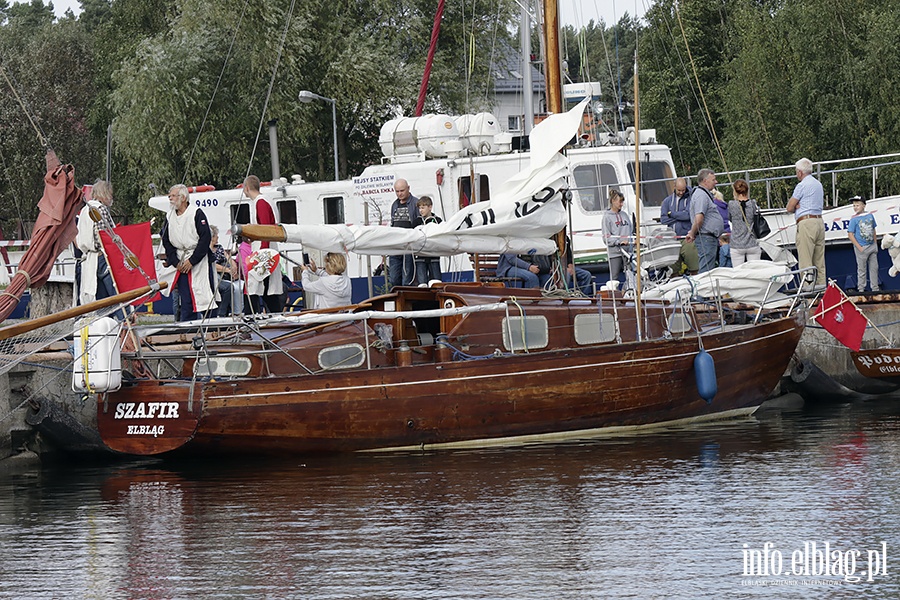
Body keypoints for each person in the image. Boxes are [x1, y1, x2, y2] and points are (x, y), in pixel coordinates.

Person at [162, 184, 217, 321]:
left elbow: (205, 238)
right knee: (185, 298)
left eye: (173, 196)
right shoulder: (169, 216)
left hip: (199, 261)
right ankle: (187, 329)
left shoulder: (196, 213)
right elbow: (166, 239)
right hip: (180, 259)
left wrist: (192, 260)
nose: (170, 198)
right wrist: (174, 261)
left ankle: (212, 327)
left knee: (205, 295)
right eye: (170, 196)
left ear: (183, 197)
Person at [241, 175, 283, 313]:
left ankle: (249, 316)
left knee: (254, 286)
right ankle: (274, 314)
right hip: (265, 249)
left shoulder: (261, 202)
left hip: (264, 251)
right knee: (265, 289)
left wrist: (263, 253)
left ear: (247, 188)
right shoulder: (265, 200)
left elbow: (265, 228)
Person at [75, 179, 117, 306]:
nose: (111, 197)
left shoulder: (84, 211)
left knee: (100, 297)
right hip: (102, 256)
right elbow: (103, 236)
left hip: (89, 258)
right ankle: (124, 319)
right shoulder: (100, 209)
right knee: (115, 294)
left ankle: (102, 321)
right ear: (104, 193)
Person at [786, 157, 826, 288]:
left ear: (800, 172)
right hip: (819, 221)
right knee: (819, 259)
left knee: (806, 258)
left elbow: (789, 207)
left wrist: (797, 205)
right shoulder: (818, 184)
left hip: (806, 222)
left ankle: (808, 288)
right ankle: (821, 286)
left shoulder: (801, 186)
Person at [685, 169, 725, 273]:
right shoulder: (701, 195)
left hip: (709, 238)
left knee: (709, 269)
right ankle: (703, 288)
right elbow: (699, 219)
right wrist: (692, 233)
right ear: (705, 181)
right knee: (706, 271)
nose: (716, 182)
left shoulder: (704, 195)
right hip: (706, 238)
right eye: (713, 179)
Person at [660, 178, 699, 275]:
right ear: (674, 187)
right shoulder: (667, 201)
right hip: (672, 239)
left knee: (694, 267)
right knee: (673, 270)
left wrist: (671, 214)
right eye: (679, 190)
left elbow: (688, 215)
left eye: (683, 190)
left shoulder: (691, 198)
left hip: (687, 238)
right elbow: (663, 219)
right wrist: (680, 215)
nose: (681, 192)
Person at [388, 178, 420, 288]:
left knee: (407, 278)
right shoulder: (394, 205)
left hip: (409, 245)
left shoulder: (416, 203)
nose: (399, 194)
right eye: (397, 191)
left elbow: (419, 223)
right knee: (393, 278)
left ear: (408, 188)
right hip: (396, 245)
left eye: (402, 190)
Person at [727, 179, 763, 266]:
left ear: (735, 191)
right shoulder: (753, 203)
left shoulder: (731, 204)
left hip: (737, 243)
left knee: (738, 273)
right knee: (755, 272)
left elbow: (730, 218)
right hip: (752, 242)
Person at [847, 195, 879, 292]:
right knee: (862, 270)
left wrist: (875, 242)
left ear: (864, 205)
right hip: (861, 247)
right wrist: (859, 247)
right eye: (854, 205)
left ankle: (875, 288)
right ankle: (861, 289)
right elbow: (850, 234)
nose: (855, 207)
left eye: (858, 205)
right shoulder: (853, 219)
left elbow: (873, 229)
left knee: (874, 268)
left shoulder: (870, 216)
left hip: (871, 246)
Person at [602, 189, 632, 285]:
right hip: (614, 253)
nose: (621, 204)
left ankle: (629, 292)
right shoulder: (607, 217)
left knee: (630, 274)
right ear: (613, 201)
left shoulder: (624, 215)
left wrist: (631, 241)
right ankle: (613, 296)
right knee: (614, 277)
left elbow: (630, 230)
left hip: (627, 251)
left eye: (622, 201)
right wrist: (618, 242)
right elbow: (606, 237)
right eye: (620, 201)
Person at [210, 225, 239, 317]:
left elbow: (228, 257)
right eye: (216, 235)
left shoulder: (219, 248)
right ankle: (221, 314)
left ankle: (237, 312)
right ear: (212, 237)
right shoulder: (207, 250)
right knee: (228, 287)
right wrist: (227, 270)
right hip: (216, 274)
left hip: (226, 273)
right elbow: (212, 265)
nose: (218, 237)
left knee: (239, 286)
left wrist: (234, 267)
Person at [413, 195, 442, 285]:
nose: (421, 210)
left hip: (434, 255)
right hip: (420, 256)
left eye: (423, 208)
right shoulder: (416, 222)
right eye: (419, 208)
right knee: (422, 282)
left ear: (430, 207)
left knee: (436, 282)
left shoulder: (437, 220)